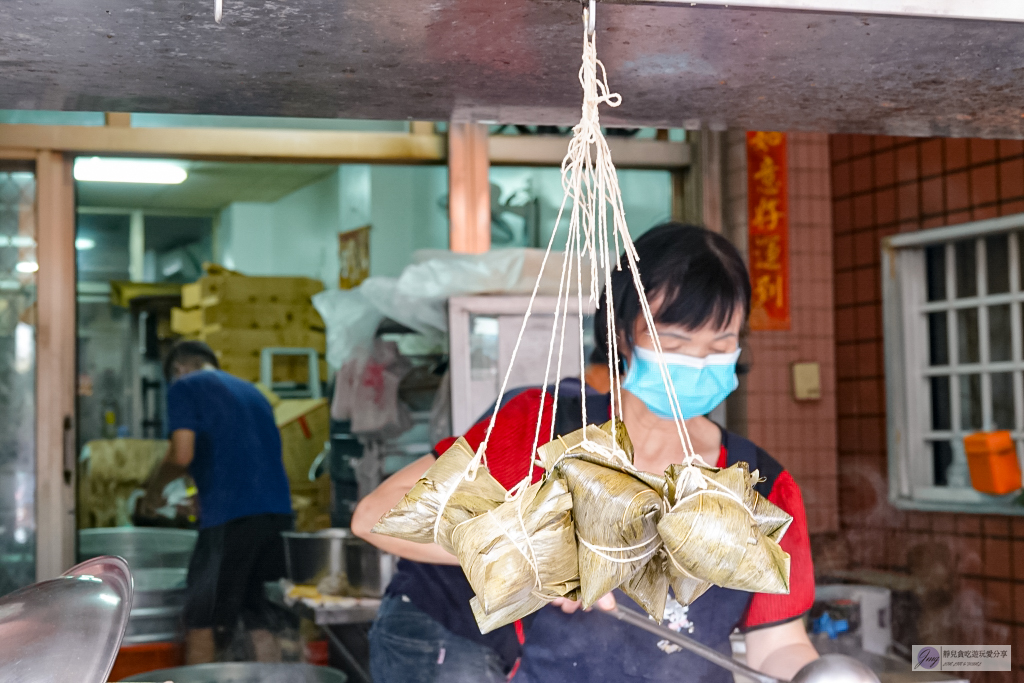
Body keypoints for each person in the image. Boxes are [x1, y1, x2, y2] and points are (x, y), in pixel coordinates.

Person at [352, 223, 819, 682]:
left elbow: (777, 644)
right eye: (674, 343)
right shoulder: (543, 428)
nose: (697, 362)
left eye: (720, 345)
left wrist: (820, 676)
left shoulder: (763, 487)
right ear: (622, 335)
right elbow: (376, 512)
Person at [140, 340, 294, 664]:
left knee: (200, 620)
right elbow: (245, 457)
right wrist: (202, 496)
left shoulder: (184, 386)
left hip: (231, 521)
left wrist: (153, 492)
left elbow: (182, 453)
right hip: (276, 517)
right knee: (259, 615)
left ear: (179, 369)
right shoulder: (254, 394)